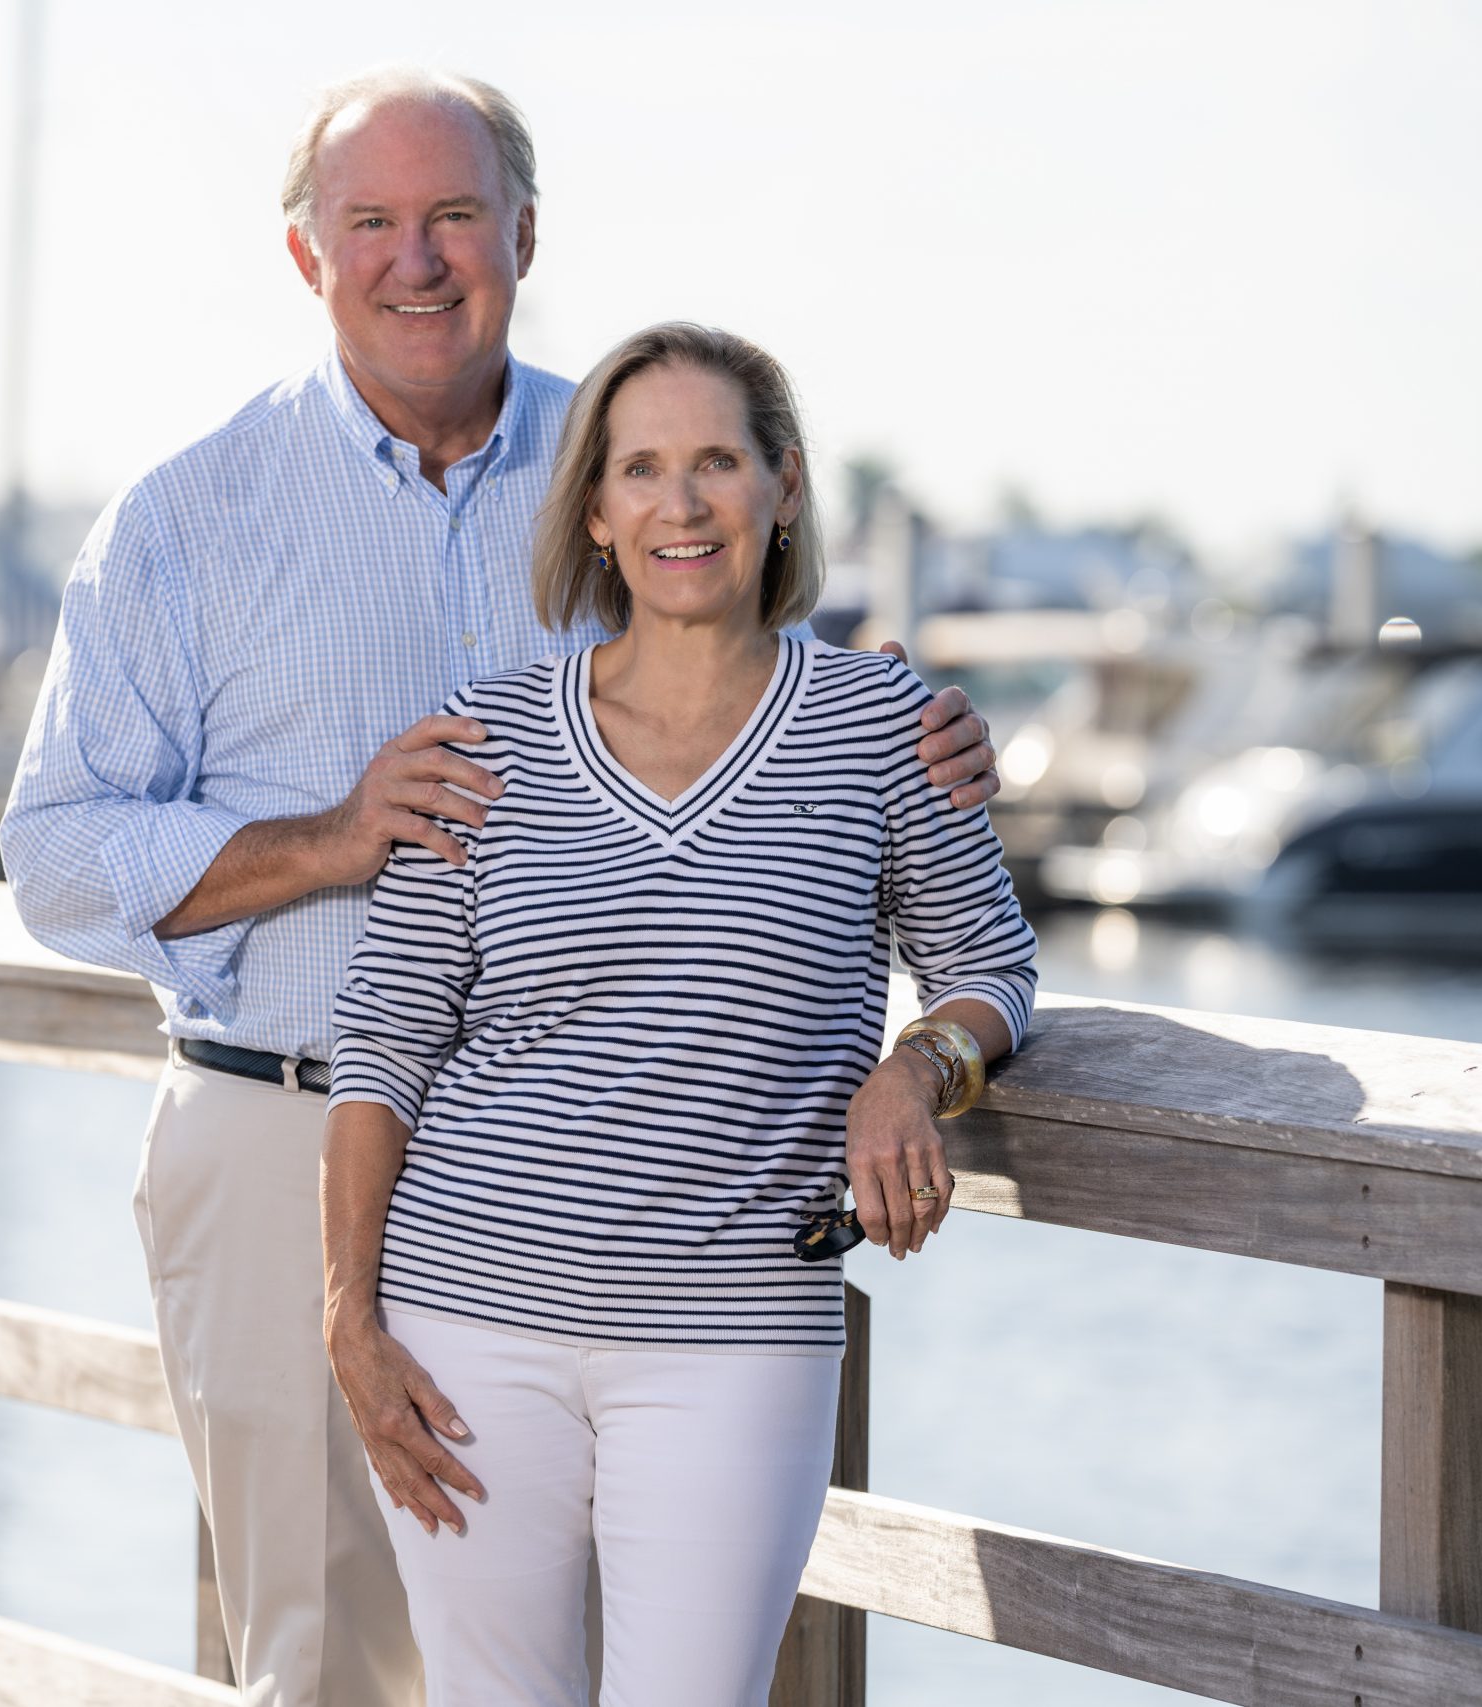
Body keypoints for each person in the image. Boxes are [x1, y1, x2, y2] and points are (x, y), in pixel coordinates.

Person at [0, 67, 1000, 1706]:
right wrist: (331, 838)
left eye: (454, 214)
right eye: (371, 222)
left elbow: (789, 717)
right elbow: (52, 856)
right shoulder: (186, 521)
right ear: (307, 256)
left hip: (632, 1211)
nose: (417, 258)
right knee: (325, 1663)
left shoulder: (635, 464)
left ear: (524, 233)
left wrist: (942, 743)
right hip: (282, 1132)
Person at [321, 321, 1039, 1704]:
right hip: (467, 1320)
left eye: (718, 461)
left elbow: (989, 968)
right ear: (594, 509)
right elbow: (388, 1041)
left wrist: (914, 1070)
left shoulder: (887, 729)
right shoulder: (485, 737)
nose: (682, 502)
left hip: (734, 1331)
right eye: (641, 468)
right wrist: (350, 1322)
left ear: (785, 487)